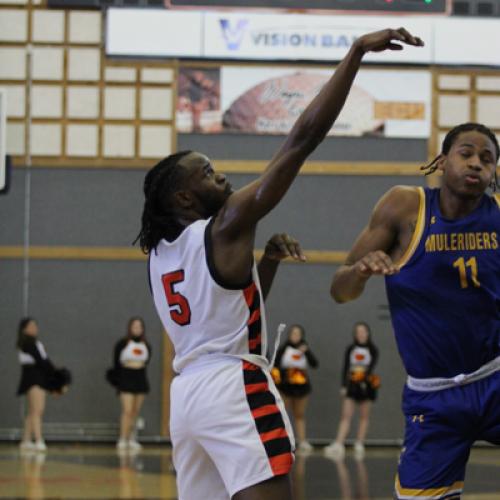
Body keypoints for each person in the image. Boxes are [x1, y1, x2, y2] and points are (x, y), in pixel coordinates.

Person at [136, 29, 423, 500]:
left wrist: (266, 263)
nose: (222, 175)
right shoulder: (224, 225)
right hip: (232, 386)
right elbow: (300, 141)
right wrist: (354, 55)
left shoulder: (160, 256)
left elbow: (225, 311)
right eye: (208, 173)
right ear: (184, 196)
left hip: (187, 399)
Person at [330, 122, 500, 499]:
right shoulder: (405, 206)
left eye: (486, 160)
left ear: (492, 175)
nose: (476, 164)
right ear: (441, 161)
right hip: (433, 397)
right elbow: (339, 290)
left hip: (494, 377)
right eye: (466, 153)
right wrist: (360, 271)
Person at [324, 322, 379, 460]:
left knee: (364, 416)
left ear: (368, 333)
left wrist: (364, 381)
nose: (361, 334)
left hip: (366, 384)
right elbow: (346, 367)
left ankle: (359, 443)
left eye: (363, 331)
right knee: (346, 415)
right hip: (352, 384)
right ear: (355, 334)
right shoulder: (351, 348)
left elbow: (370, 367)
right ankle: (339, 443)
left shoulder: (373, 349)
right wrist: (344, 385)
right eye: (358, 332)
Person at [17, 318, 71, 452]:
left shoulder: (35, 343)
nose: (34, 328)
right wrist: (57, 378)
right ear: (24, 329)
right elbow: (42, 361)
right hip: (33, 377)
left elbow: (45, 360)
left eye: (35, 325)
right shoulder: (27, 343)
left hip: (38, 376)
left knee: (33, 410)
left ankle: (26, 440)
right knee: (37, 410)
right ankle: (39, 439)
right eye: (31, 326)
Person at [106, 317, 151, 452]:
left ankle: (132, 438)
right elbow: (116, 363)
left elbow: (147, 361)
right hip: (126, 378)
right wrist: (118, 381)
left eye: (139, 326)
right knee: (127, 410)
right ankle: (123, 438)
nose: (137, 328)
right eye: (134, 326)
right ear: (130, 328)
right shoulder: (122, 344)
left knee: (136, 412)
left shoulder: (146, 345)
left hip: (140, 378)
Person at [273, 324, 318, 453]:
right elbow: (275, 365)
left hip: (301, 386)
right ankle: (282, 440)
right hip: (286, 385)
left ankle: (302, 441)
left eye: (298, 334)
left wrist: (307, 351)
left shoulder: (305, 348)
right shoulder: (283, 348)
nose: (295, 336)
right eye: (293, 333)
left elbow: (315, 364)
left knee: (299, 414)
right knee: (282, 413)